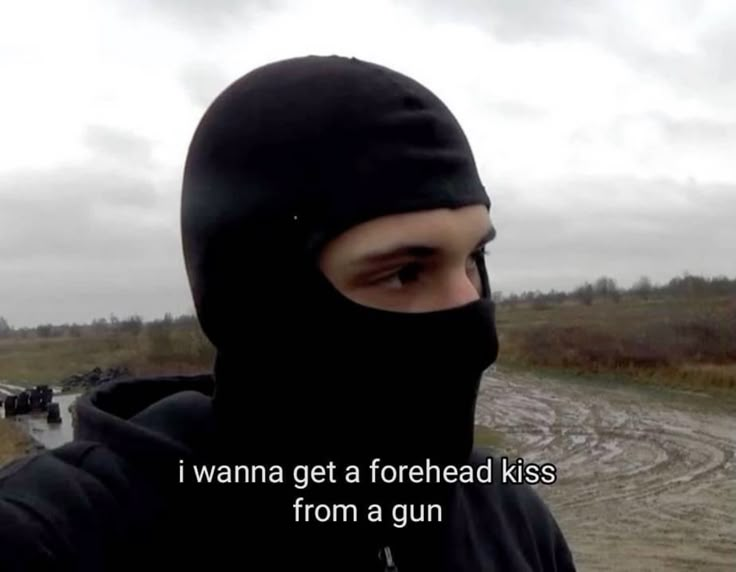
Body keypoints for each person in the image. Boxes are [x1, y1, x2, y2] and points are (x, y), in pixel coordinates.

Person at [0, 55, 576, 571]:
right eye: (405, 272)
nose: (475, 326)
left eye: (474, 259)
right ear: (261, 304)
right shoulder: (57, 538)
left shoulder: (511, 520)